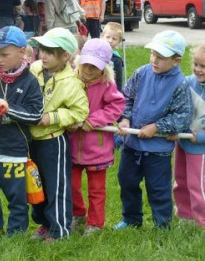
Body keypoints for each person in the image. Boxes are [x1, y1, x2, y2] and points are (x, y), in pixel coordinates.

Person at [114, 30, 193, 229]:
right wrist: (125, 118)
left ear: (176, 60)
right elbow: (126, 97)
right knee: (127, 182)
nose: (154, 60)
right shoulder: (142, 72)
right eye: (153, 54)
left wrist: (157, 127)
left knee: (158, 188)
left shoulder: (179, 84)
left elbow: (181, 116)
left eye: (160, 57)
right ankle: (131, 219)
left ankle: (162, 224)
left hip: (158, 149)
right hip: (132, 144)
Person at [0, 26, 43, 244]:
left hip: (14, 151)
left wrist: (8, 109)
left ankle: (16, 232)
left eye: (4, 54)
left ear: (22, 53)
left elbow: (36, 115)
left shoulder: (30, 82)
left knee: (16, 197)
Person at [28, 28, 89, 242]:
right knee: (36, 185)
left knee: (56, 187)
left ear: (65, 56)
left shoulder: (71, 82)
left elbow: (80, 111)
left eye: (49, 51)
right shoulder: (34, 69)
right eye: (41, 49)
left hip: (53, 142)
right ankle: (44, 223)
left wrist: (52, 118)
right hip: (31, 140)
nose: (42, 54)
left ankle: (60, 230)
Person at [68, 39, 125, 235]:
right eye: (86, 65)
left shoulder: (107, 85)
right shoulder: (71, 81)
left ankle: (95, 223)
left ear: (104, 67)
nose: (89, 70)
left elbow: (117, 106)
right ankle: (78, 213)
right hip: (73, 144)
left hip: (97, 147)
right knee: (72, 185)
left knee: (96, 189)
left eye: (95, 67)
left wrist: (95, 120)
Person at [173, 43, 205, 228]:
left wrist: (199, 138)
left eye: (203, 66)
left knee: (197, 184)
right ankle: (185, 215)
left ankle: (201, 220)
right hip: (182, 142)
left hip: (200, 147)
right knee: (180, 179)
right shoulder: (187, 82)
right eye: (196, 64)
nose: (198, 70)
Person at [101, 22, 124, 92]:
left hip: (109, 91)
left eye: (114, 39)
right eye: (108, 37)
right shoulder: (95, 53)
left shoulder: (117, 60)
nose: (110, 41)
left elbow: (118, 82)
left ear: (119, 41)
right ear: (102, 36)